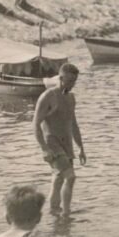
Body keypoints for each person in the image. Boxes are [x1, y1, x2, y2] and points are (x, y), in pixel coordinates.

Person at [33, 64, 86, 216]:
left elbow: (73, 124)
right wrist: (44, 148)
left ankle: (54, 213)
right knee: (70, 176)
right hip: (52, 144)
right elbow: (35, 124)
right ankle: (67, 214)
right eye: (69, 81)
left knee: (58, 180)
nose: (72, 85)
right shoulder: (48, 96)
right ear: (61, 78)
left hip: (66, 144)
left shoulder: (71, 98)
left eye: (74, 81)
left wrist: (81, 147)